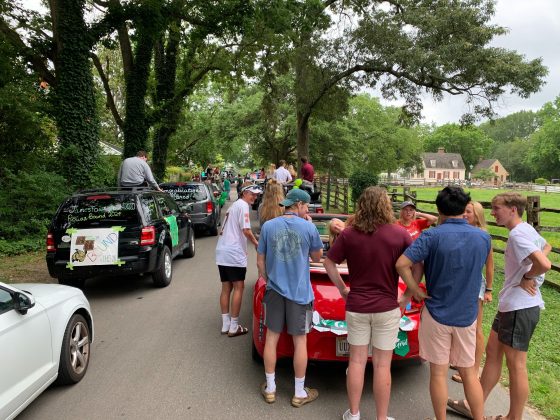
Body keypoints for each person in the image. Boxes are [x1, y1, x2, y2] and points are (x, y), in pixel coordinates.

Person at [448, 193, 551, 420]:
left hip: (520, 308)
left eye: (496, 208)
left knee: (516, 366)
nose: (492, 212)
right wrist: (529, 274)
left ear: (512, 209)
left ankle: (513, 417)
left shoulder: (517, 234)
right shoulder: (526, 229)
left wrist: (528, 276)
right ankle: (473, 404)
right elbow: (548, 246)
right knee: (493, 352)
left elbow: (545, 262)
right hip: (510, 306)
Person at [396, 186, 491, 420]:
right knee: (469, 373)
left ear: (439, 209)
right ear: (464, 208)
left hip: (436, 311)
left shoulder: (432, 235)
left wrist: (415, 290)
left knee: (438, 373)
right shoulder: (483, 237)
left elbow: (401, 263)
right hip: (467, 314)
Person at [323, 187, 412, 420]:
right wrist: (407, 295)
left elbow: (329, 262)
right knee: (383, 366)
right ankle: (381, 418)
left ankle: (353, 414)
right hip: (387, 307)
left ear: (361, 205)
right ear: (386, 205)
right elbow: (417, 264)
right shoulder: (399, 234)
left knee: (357, 361)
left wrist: (342, 289)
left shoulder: (349, 234)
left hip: (357, 306)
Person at [257, 188, 323, 408]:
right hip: (300, 293)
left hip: (274, 290)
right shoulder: (308, 227)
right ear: (300, 205)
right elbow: (317, 256)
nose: (307, 210)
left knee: (271, 339)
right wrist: (309, 225)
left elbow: (260, 262)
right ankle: (298, 392)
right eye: (306, 206)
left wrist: (269, 281)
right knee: (300, 341)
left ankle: (271, 388)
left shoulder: (268, 226)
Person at [451, 201, 494, 384]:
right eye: (463, 211)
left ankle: (474, 369)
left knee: (475, 328)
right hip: (461, 283)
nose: (464, 214)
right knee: (461, 325)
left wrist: (489, 289)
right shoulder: (463, 231)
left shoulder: (483, 235)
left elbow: (490, 265)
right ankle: (463, 362)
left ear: (476, 215)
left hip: (476, 284)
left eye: (468, 212)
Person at [215, 182, 261, 337]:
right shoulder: (243, 206)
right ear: (244, 193)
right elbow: (246, 230)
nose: (255, 196)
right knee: (239, 287)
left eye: (256, 194)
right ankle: (234, 326)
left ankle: (225, 324)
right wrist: (256, 243)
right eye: (252, 194)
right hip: (234, 251)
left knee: (226, 288)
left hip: (222, 250)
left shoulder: (234, 206)